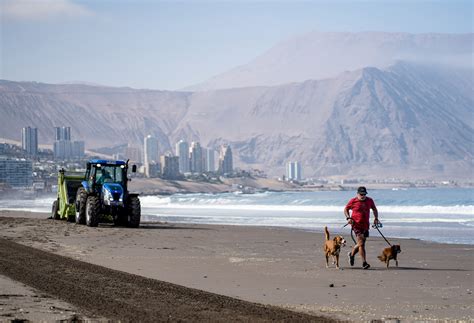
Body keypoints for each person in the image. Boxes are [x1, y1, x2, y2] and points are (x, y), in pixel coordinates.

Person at [344, 186, 379, 269]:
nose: (363, 196)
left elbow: (374, 209)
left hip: (366, 225)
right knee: (361, 244)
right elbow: (346, 209)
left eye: (364, 194)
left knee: (361, 243)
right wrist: (348, 218)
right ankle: (364, 263)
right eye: (361, 194)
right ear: (357, 194)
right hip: (356, 225)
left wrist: (376, 218)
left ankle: (351, 254)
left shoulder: (370, 200)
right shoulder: (353, 201)